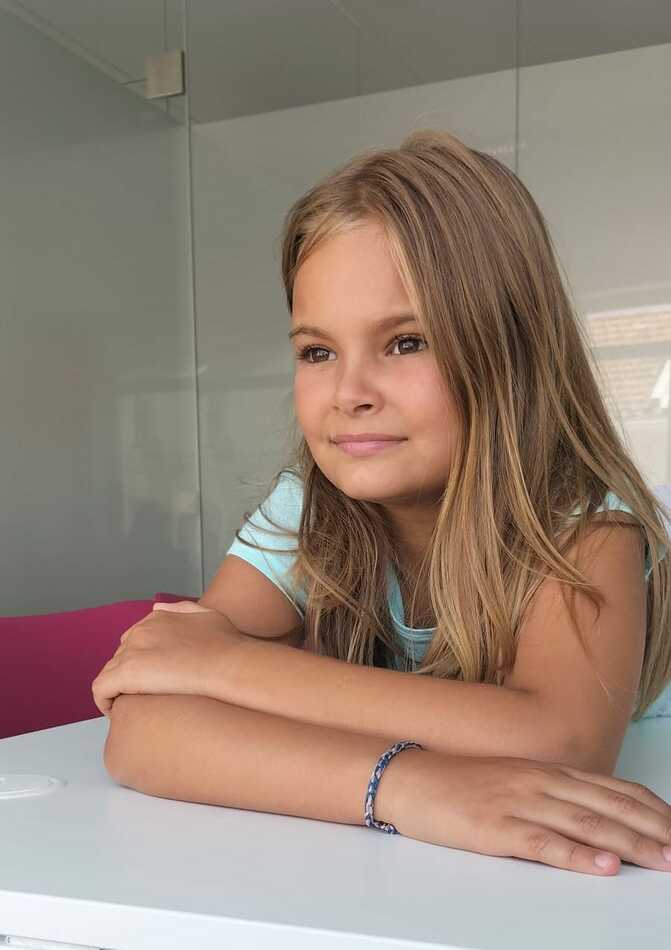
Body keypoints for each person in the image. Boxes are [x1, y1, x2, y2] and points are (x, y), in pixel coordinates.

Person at [100, 129, 671, 877]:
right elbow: (144, 728)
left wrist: (227, 666)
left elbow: (561, 742)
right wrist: (404, 786)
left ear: (510, 351)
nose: (349, 393)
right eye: (317, 351)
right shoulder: (307, 509)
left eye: (405, 342)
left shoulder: (585, 520)